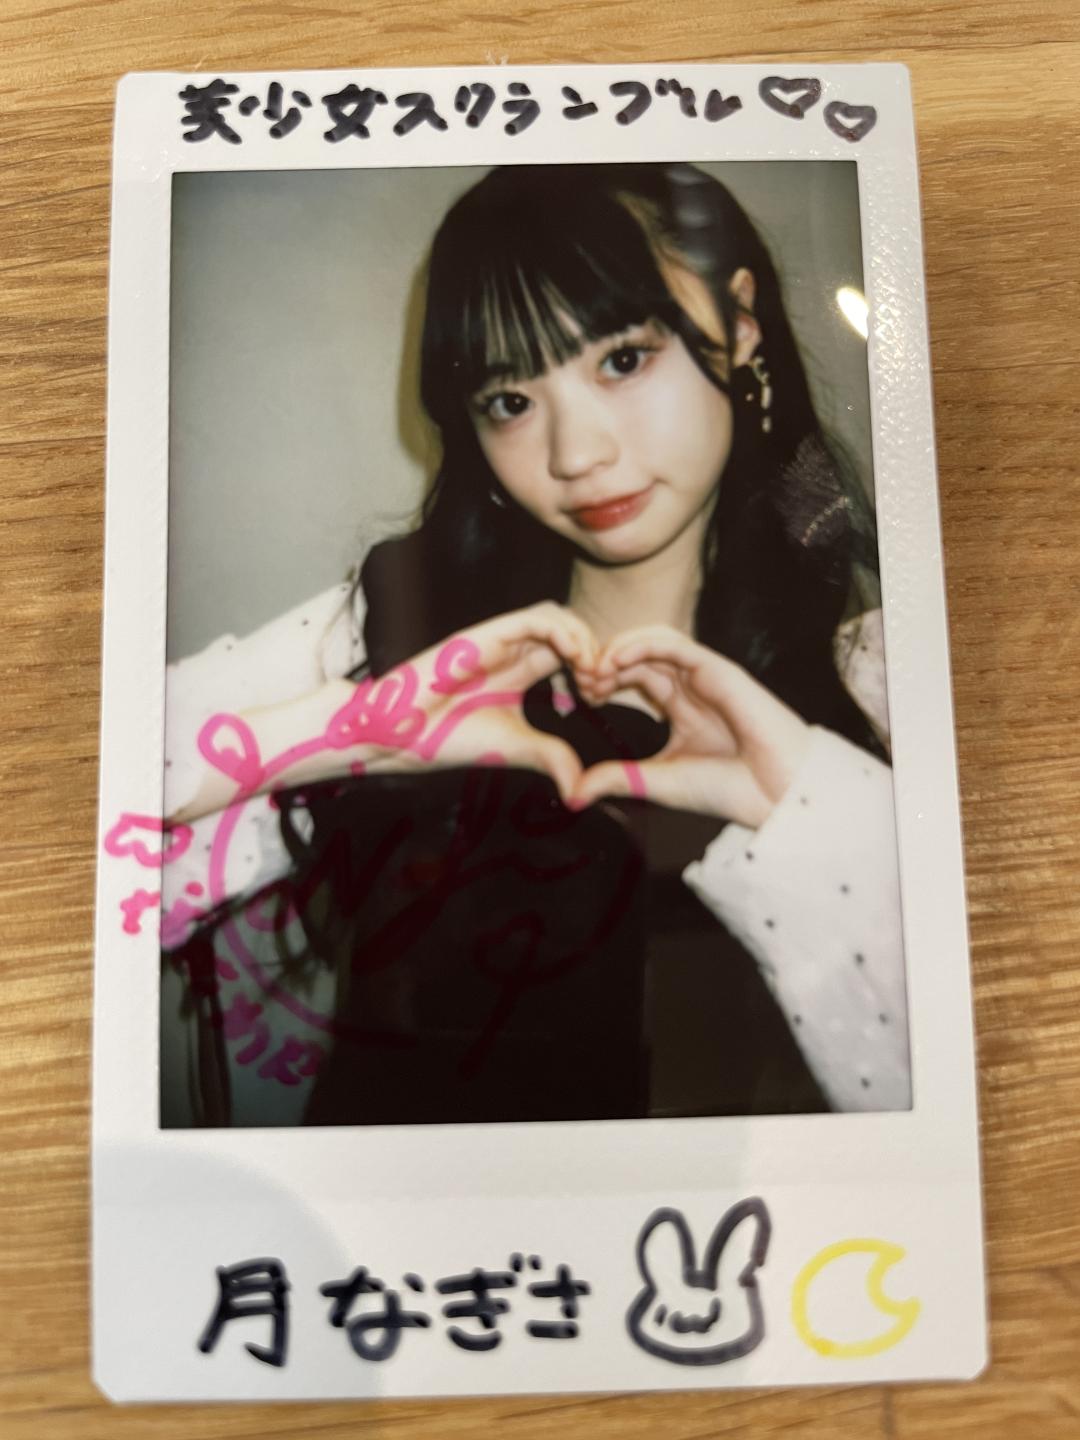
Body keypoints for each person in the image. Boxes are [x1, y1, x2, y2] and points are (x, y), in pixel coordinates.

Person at [160, 162, 910, 1129]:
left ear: (740, 322)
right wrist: (347, 732)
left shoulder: (877, 681)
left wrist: (809, 804)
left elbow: (957, 1084)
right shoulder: (398, 634)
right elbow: (86, 848)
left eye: (624, 360)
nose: (575, 454)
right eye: (510, 401)